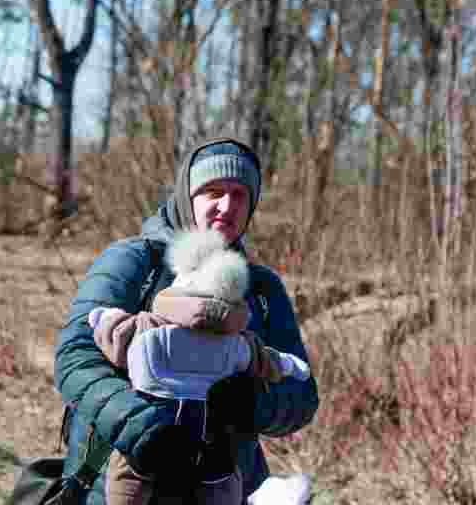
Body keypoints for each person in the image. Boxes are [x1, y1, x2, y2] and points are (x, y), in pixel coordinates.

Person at [54, 137, 319, 505]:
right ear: (186, 195)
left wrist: (253, 402)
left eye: (239, 194)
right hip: (122, 484)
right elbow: (75, 357)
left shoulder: (261, 289)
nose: (226, 206)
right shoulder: (134, 262)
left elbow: (303, 395)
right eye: (213, 191)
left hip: (224, 483)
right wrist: (143, 428)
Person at [87, 228, 311, 505]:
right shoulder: (235, 344)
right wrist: (289, 366)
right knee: (221, 482)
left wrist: (103, 318)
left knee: (128, 477)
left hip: (148, 432)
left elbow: (116, 334)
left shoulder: (148, 328)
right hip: (208, 441)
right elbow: (266, 360)